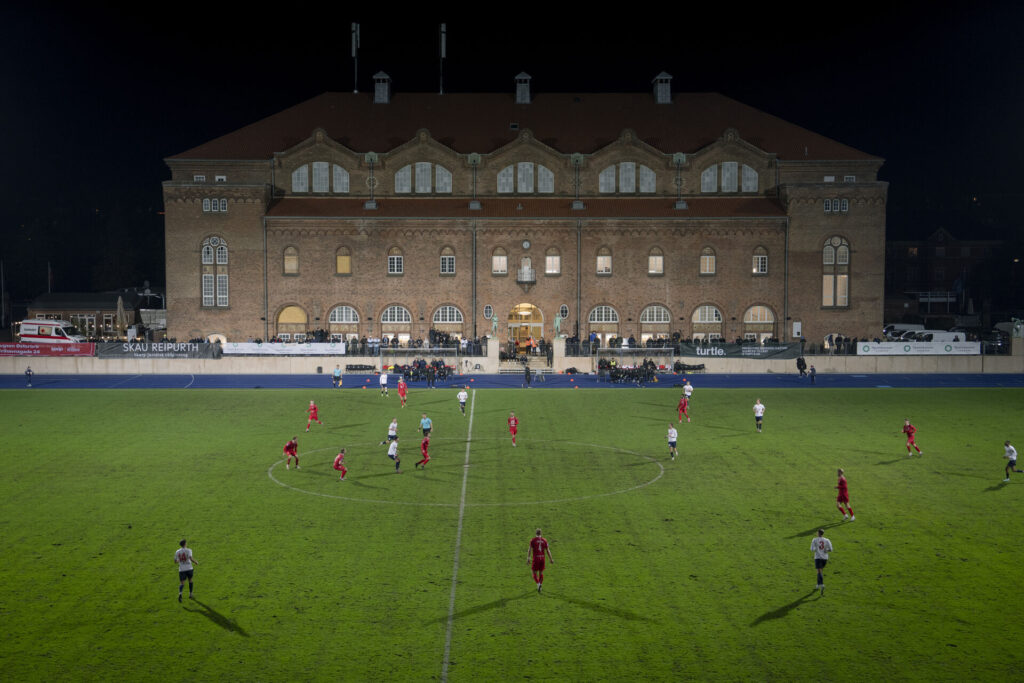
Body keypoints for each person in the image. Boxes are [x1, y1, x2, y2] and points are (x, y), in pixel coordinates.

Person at [527, 528, 553, 593]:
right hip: (542, 558)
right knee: (541, 573)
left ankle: (538, 584)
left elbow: (529, 549)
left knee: (533, 572)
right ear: (541, 533)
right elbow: (548, 550)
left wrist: (528, 558)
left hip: (536, 558)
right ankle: (540, 585)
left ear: (536, 533)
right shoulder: (544, 540)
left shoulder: (533, 540)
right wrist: (551, 559)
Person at [811, 529, 833, 595]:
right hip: (825, 558)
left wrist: (816, 549)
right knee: (819, 571)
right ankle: (818, 585)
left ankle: (822, 584)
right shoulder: (827, 540)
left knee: (819, 571)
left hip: (818, 557)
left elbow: (812, 549)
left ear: (818, 533)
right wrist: (826, 550)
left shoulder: (814, 539)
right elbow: (831, 549)